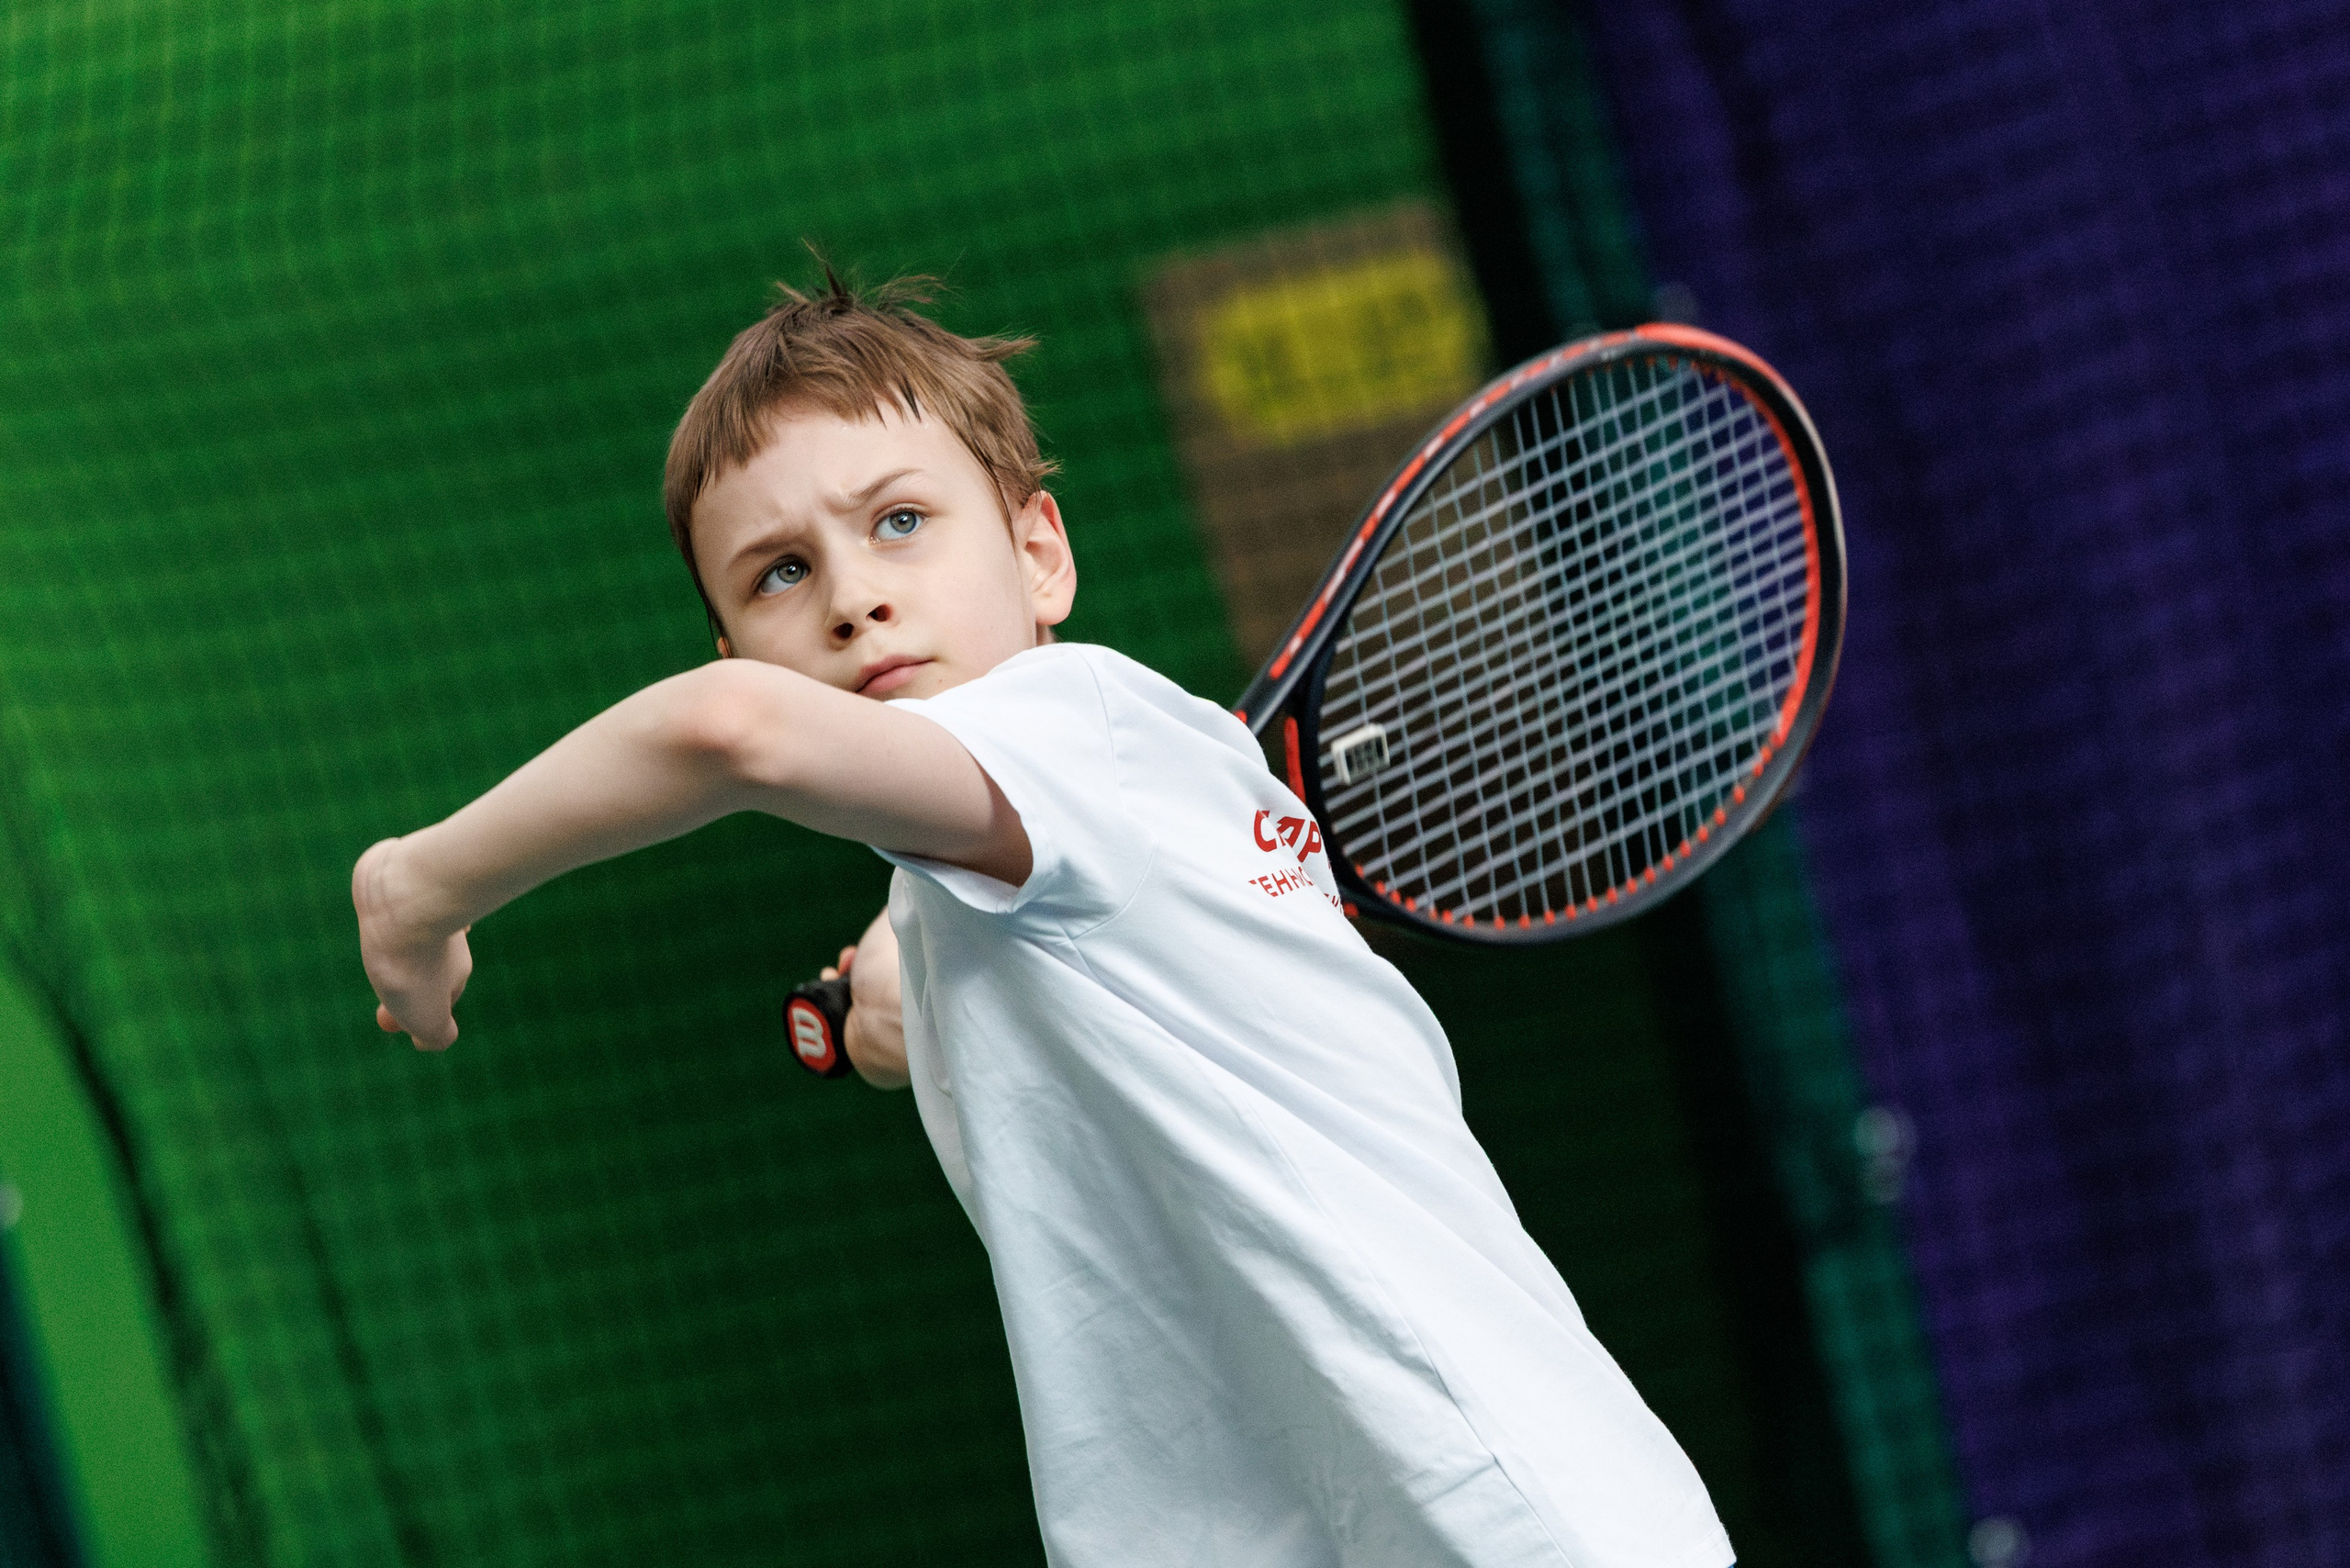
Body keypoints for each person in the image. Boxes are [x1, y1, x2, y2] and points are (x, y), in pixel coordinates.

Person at [354, 270, 1735, 1568]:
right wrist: (906, 998)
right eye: (779, 573)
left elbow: (728, 734)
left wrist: (423, 892)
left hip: (1497, 1520)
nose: (854, 598)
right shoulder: (1018, 845)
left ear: (1038, 556)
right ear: (735, 633)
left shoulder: (1074, 730)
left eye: (901, 522)